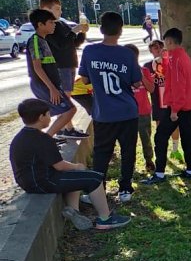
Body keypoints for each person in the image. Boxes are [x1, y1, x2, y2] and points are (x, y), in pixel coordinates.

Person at [9, 99, 131, 230]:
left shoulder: (20, 137)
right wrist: (77, 166)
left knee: (75, 175)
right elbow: (60, 166)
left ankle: (73, 211)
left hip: (27, 182)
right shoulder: (43, 139)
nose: (50, 117)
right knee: (95, 178)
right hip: (42, 182)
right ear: (41, 117)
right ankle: (105, 219)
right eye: (48, 114)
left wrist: (75, 169)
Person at [78, 12, 142, 203]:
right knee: (128, 151)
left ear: (101, 29)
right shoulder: (127, 54)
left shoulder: (89, 51)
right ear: (120, 31)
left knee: (101, 153)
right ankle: (125, 189)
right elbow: (136, 82)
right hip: (127, 111)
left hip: (103, 113)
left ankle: (98, 191)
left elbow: (84, 79)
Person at [142, 27, 191, 183]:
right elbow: (168, 74)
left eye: (165, 42)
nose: (164, 46)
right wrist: (164, 58)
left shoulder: (178, 59)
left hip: (177, 106)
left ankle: (159, 173)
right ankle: (190, 170)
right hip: (184, 105)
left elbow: (179, 86)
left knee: (160, 136)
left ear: (170, 42)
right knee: (187, 137)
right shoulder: (179, 56)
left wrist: (174, 110)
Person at [25, 9, 79, 140]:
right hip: (43, 84)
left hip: (50, 84)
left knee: (55, 113)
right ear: (40, 24)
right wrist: (52, 88)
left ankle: (45, 138)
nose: (54, 25)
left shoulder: (44, 40)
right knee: (69, 110)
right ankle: (46, 139)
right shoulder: (35, 41)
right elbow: (37, 68)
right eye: (51, 22)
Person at [39, 0, 89, 139]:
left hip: (69, 64)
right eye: (57, 9)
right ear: (45, 9)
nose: (60, 12)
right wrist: (74, 31)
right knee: (64, 99)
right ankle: (67, 128)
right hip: (60, 66)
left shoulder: (61, 24)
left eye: (60, 9)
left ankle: (63, 128)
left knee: (66, 97)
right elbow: (60, 45)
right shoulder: (48, 27)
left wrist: (82, 32)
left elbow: (74, 43)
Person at [143, 40, 182, 161]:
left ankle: (175, 150)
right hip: (157, 100)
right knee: (160, 126)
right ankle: (161, 150)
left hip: (172, 100)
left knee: (174, 124)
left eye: (161, 47)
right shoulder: (148, 66)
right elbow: (146, 85)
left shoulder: (171, 63)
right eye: (156, 48)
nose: (159, 50)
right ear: (151, 51)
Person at [125, 43, 156, 173]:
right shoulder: (122, 73)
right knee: (128, 141)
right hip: (127, 113)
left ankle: (149, 160)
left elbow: (151, 89)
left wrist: (141, 76)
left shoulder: (144, 71)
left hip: (143, 111)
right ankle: (129, 164)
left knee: (146, 138)